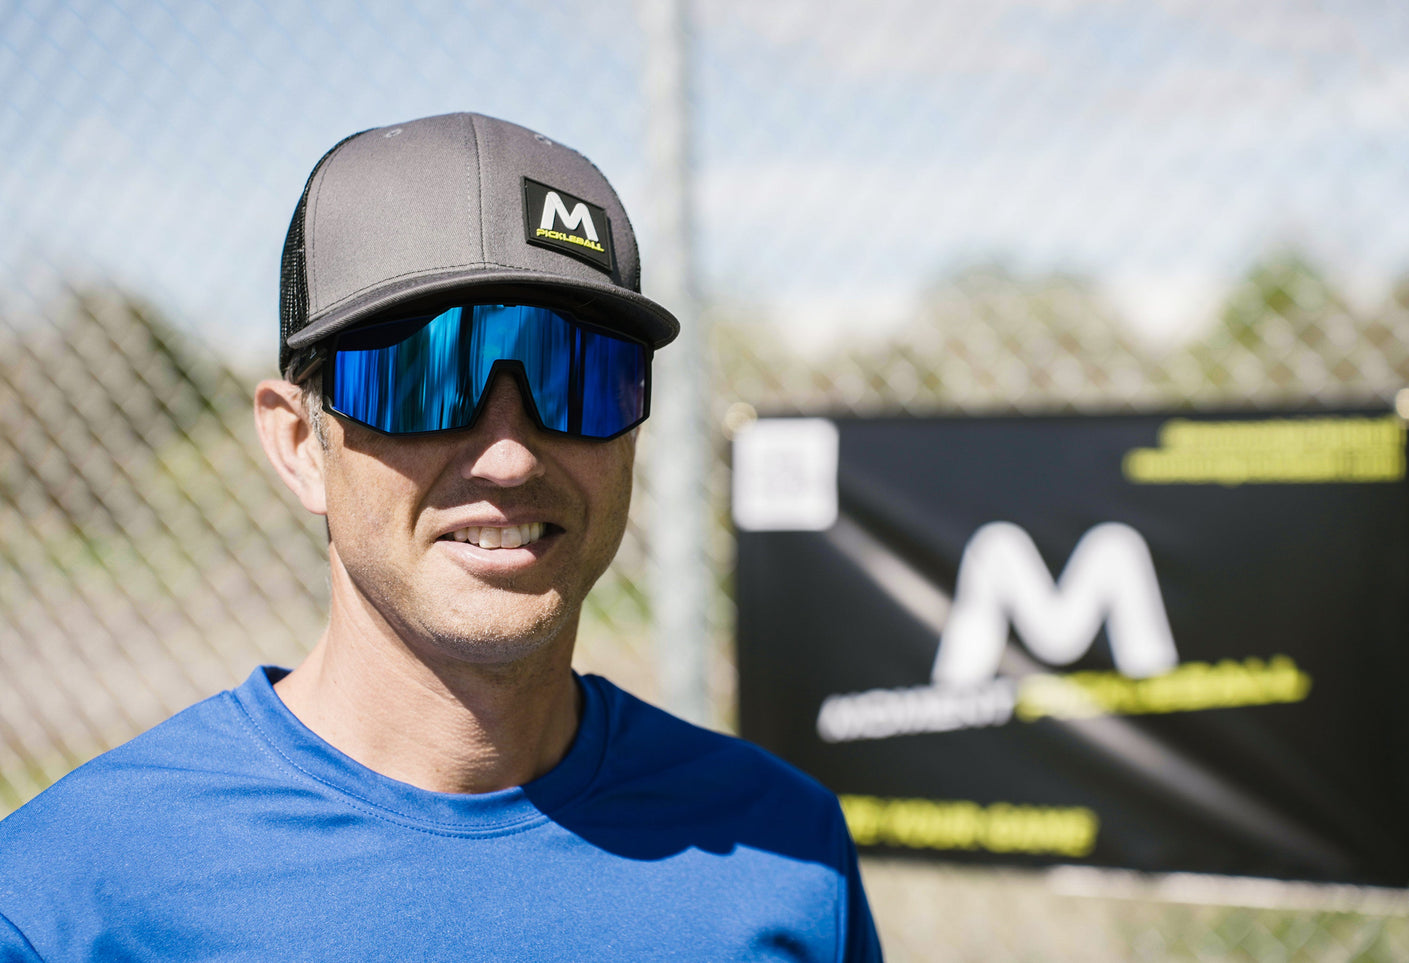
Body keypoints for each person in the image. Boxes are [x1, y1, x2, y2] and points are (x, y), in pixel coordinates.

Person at [0, 112, 882, 961]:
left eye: (578, 373)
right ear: (300, 443)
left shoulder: (785, 851)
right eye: (418, 376)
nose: (507, 456)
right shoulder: (68, 896)